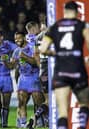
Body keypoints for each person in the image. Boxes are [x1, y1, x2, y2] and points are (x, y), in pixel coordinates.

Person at [39, 1, 89, 129]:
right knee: (84, 103)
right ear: (77, 12)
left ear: (65, 11)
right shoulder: (82, 25)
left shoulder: (54, 27)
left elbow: (43, 49)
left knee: (62, 111)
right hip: (77, 69)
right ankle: (82, 125)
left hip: (61, 71)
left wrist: (56, 53)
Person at [2, 31, 44, 128]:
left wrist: (25, 57)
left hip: (34, 77)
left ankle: (40, 120)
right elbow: (12, 66)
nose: (17, 41)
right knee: (21, 102)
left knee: (38, 102)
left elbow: (36, 62)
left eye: (19, 38)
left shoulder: (32, 47)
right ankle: (23, 123)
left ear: (24, 38)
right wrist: (5, 62)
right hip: (23, 78)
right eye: (15, 39)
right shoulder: (16, 51)